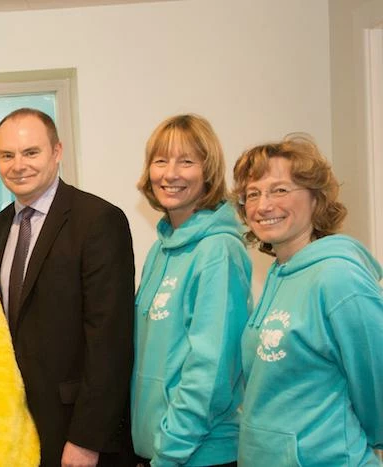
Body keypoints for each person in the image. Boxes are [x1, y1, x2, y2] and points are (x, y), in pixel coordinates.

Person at [0, 108, 135, 466]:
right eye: (7, 155)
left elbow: (110, 340)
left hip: (77, 431)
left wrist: (86, 439)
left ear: (57, 152)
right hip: (19, 426)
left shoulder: (98, 220)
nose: (18, 165)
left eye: (31, 152)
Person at [231, 134, 382, 466]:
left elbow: (376, 381)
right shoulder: (278, 273)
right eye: (252, 194)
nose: (263, 205)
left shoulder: (338, 277)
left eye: (280, 190)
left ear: (317, 199)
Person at [131, 114, 250, 466]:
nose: (170, 173)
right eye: (161, 160)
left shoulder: (219, 251)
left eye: (186, 161)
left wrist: (168, 452)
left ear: (208, 171)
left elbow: (210, 372)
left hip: (200, 454)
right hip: (159, 450)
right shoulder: (160, 249)